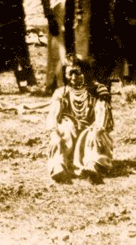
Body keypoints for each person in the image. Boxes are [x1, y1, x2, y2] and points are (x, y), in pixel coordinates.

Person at [46, 56, 113, 184]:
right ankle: (58, 166)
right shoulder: (61, 93)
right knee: (63, 129)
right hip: (70, 137)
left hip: (92, 132)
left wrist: (98, 130)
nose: (73, 77)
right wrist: (53, 133)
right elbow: (52, 115)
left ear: (86, 72)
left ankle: (93, 165)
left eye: (77, 72)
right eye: (69, 73)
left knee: (93, 135)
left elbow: (102, 113)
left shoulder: (98, 91)